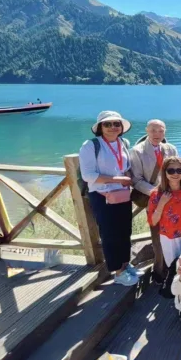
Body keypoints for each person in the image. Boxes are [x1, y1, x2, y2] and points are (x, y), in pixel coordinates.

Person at [79, 111, 141, 286]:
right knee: (110, 234)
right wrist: (117, 179)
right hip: (101, 195)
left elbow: (126, 166)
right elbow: (88, 175)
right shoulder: (91, 146)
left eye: (116, 124)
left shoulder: (123, 142)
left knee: (125, 231)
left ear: (121, 127)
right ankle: (118, 272)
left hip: (121, 194)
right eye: (108, 124)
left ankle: (125, 264)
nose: (113, 127)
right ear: (100, 127)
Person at [129, 119, 178, 281]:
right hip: (152, 199)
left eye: (161, 131)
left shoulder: (170, 149)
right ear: (147, 131)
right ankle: (159, 272)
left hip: (171, 199)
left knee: (173, 234)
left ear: (165, 131)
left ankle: (174, 268)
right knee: (157, 236)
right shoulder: (137, 151)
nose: (157, 134)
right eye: (153, 130)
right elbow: (136, 179)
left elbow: (179, 171)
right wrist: (155, 192)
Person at [147, 157, 181, 268]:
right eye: (171, 170)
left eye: (179, 170)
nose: (175, 174)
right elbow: (153, 221)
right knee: (175, 268)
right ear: (164, 172)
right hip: (170, 238)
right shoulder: (157, 194)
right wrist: (161, 203)